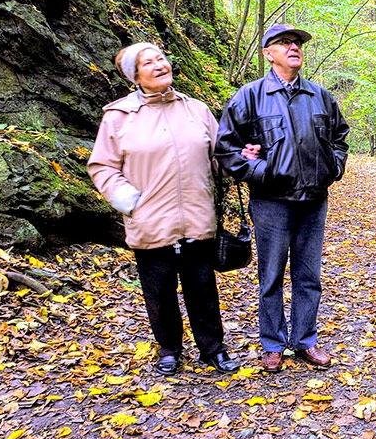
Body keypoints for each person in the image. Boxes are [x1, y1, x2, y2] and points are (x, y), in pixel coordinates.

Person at [87, 42, 240, 376]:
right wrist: (130, 201)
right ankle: (169, 349)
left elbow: (220, 158)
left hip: (197, 219)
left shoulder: (196, 109)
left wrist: (243, 160)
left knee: (203, 289)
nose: (159, 65)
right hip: (149, 221)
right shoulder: (118, 117)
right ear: (135, 76)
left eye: (161, 59)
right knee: (159, 292)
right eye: (148, 62)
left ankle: (213, 349)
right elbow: (102, 166)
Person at [215, 24, 349, 371]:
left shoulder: (320, 96)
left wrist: (333, 167)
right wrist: (260, 173)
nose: (294, 47)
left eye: (298, 43)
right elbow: (226, 148)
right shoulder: (249, 96)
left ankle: (305, 341)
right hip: (271, 202)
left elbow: (340, 137)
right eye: (284, 43)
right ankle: (272, 344)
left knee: (309, 276)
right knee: (271, 275)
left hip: (314, 201)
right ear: (268, 53)